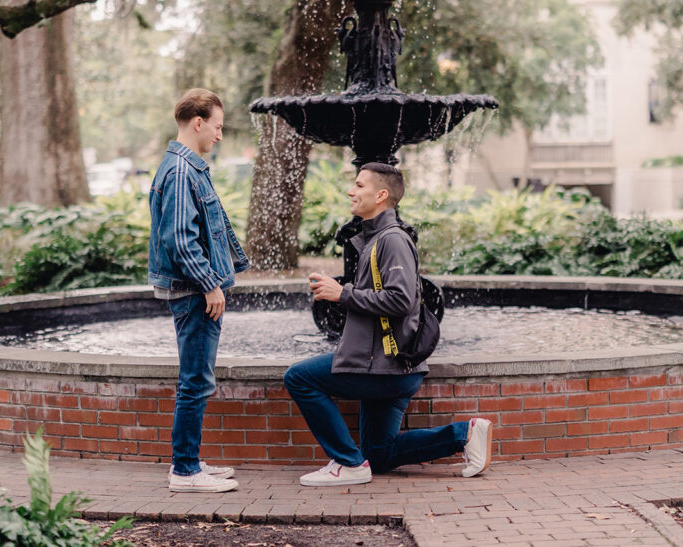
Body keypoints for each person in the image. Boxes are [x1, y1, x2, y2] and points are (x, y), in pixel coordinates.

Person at [285, 162, 493, 486]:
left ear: (381, 195)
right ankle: (465, 434)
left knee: (299, 378)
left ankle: (347, 463)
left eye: (358, 185)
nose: (350, 191)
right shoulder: (376, 238)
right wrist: (340, 293)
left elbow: (400, 300)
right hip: (389, 366)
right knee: (379, 454)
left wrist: (343, 293)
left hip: (386, 366)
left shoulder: (392, 240)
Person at [148, 88, 250, 493]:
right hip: (193, 293)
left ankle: (190, 461)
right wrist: (210, 285)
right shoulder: (180, 171)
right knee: (195, 381)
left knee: (196, 379)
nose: (220, 136)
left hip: (194, 290)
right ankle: (185, 471)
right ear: (198, 123)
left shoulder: (186, 168)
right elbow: (179, 239)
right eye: (218, 126)